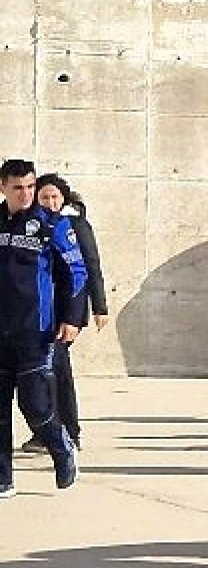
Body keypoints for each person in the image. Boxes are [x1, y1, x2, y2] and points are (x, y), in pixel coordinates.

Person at [0, 159, 86, 499]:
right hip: (0, 331)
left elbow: (77, 273)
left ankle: (62, 448)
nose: (26, 194)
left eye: (30, 187)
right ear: (3, 187)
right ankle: (3, 479)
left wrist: (72, 318)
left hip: (36, 331)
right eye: (18, 188)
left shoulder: (52, 224)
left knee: (35, 405)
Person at [16, 174, 107, 453]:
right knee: (37, 375)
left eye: (55, 197)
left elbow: (89, 267)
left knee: (57, 371)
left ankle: (69, 432)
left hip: (65, 311)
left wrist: (98, 308)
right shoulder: (30, 226)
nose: (50, 202)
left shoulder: (76, 226)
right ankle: (45, 433)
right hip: (36, 312)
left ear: (63, 199)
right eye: (44, 197)